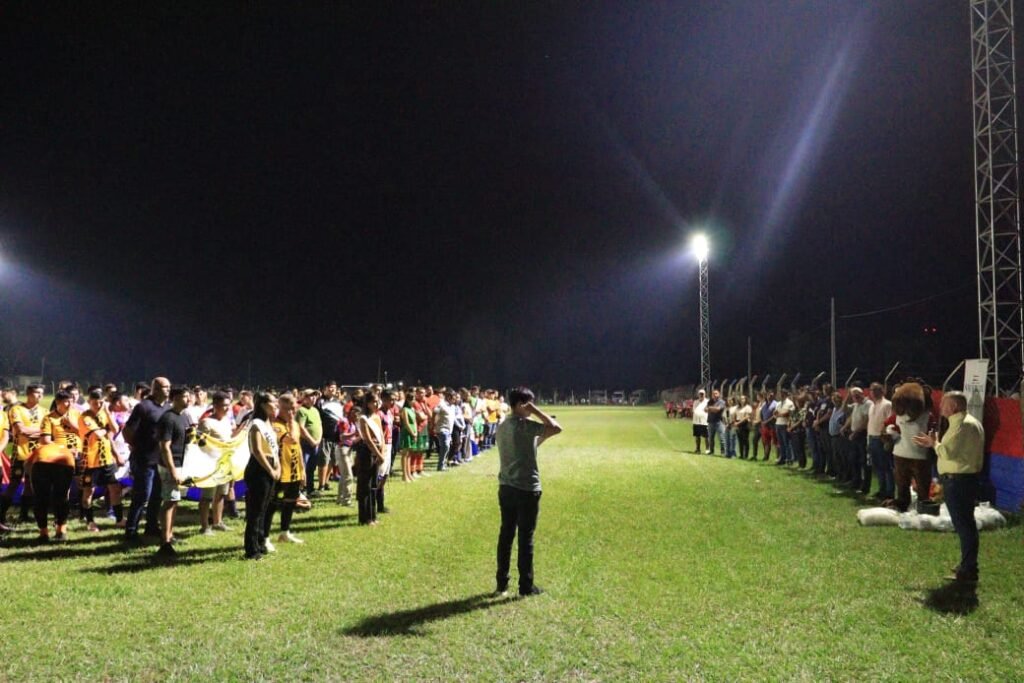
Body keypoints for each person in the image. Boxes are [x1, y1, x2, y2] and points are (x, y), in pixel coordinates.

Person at [495, 386, 562, 598]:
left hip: (506, 487)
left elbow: (530, 445)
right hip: (526, 489)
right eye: (528, 404)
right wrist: (536, 411)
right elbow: (556, 427)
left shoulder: (503, 425)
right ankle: (526, 586)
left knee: (506, 535)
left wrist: (541, 432)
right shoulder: (524, 425)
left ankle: (501, 584)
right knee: (526, 538)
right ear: (520, 404)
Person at [913, 391, 984, 583]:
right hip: (961, 480)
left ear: (954, 407)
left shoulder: (962, 424)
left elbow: (947, 451)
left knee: (964, 526)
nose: (941, 407)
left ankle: (968, 569)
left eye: (944, 403)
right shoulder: (968, 422)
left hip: (959, 481)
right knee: (965, 524)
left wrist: (933, 443)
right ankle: (967, 565)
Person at [123, 378, 170, 542]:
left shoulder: (167, 407)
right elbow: (127, 431)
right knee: (142, 496)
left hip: (161, 460)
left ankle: (151, 527)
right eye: (165, 387)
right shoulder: (143, 407)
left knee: (157, 496)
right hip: (145, 459)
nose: (168, 390)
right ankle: (131, 531)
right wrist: (136, 446)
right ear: (155, 389)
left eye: (169, 387)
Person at [33, 390, 80, 542]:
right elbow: (45, 440)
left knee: (62, 496)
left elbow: (85, 434)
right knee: (42, 497)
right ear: (58, 403)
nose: (70, 404)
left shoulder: (77, 416)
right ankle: (43, 532)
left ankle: (61, 529)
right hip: (49, 460)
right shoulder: (49, 418)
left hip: (69, 461)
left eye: (71, 401)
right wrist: (63, 448)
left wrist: (72, 426)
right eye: (66, 401)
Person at [78, 388, 126, 531]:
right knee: (89, 492)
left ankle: (119, 518)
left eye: (101, 403)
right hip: (90, 461)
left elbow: (115, 428)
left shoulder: (104, 413)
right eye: (95, 403)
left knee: (115, 489)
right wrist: (107, 429)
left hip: (106, 459)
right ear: (89, 402)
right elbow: (97, 434)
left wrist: (106, 412)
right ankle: (90, 521)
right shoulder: (85, 417)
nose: (98, 406)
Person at [197, 391, 244, 535]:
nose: (227, 408)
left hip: (225, 463)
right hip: (211, 464)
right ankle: (205, 526)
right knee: (207, 496)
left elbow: (229, 438)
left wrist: (241, 431)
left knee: (222, 494)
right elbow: (200, 442)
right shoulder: (206, 422)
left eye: (228, 405)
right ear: (215, 405)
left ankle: (218, 522)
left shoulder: (226, 421)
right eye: (224, 405)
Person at [269, 393, 311, 544]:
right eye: (289, 409)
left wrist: (303, 469)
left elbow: (297, 446)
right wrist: (293, 422)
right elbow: (291, 439)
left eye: (294, 409)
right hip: (279, 470)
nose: (292, 413)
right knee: (271, 503)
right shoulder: (276, 425)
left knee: (290, 501)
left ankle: (284, 532)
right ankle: (264, 535)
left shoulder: (294, 425)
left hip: (294, 470)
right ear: (280, 408)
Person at [155, 386, 191, 559]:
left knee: (175, 501)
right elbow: (164, 446)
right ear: (175, 398)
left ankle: (170, 534)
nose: (188, 399)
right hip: (171, 466)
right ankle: (164, 542)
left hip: (180, 464)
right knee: (169, 501)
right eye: (185, 396)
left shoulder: (182, 417)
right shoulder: (168, 418)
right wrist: (173, 470)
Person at [2, 383, 45, 525]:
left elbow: (49, 432)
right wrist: (40, 432)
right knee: (14, 483)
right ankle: (1, 513)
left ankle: (24, 514)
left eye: (41, 393)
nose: (40, 396)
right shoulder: (16, 409)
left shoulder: (44, 411)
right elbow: (20, 430)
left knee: (30, 484)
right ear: (28, 394)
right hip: (21, 454)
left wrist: (32, 431)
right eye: (37, 393)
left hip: (37, 455)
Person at [244, 393, 281, 560]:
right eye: (274, 402)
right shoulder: (256, 424)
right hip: (259, 469)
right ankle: (251, 549)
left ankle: (260, 542)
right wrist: (270, 469)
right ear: (264, 405)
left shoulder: (268, 424)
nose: (276, 405)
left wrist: (278, 466)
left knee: (265, 508)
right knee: (255, 511)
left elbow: (275, 449)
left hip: (271, 466)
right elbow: (257, 450)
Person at [888, 382, 933, 513]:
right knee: (902, 482)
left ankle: (923, 505)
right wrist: (890, 432)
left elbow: (932, 426)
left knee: (922, 483)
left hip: (919, 454)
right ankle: (903, 503)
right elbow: (890, 426)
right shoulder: (899, 415)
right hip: (902, 452)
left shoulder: (926, 415)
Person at [354, 393, 386, 526]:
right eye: (374, 402)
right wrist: (378, 454)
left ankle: (373, 516)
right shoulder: (363, 419)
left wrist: (382, 453)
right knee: (365, 486)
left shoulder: (377, 417)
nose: (377, 404)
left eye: (378, 401)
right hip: (367, 454)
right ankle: (365, 518)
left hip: (377, 453)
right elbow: (367, 439)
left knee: (374, 485)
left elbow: (381, 437)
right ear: (367, 404)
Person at [866, 382, 894, 501]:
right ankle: (881, 489)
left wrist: (887, 439)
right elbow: (870, 423)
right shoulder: (872, 405)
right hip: (872, 438)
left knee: (886, 467)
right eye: (871, 390)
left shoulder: (887, 404)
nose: (872, 392)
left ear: (881, 391)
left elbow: (891, 421)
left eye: (875, 390)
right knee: (877, 467)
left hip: (881, 439)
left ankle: (889, 492)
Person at [773, 389, 794, 465]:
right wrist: (777, 414)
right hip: (778, 423)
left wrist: (780, 414)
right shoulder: (778, 403)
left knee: (787, 442)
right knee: (781, 443)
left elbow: (788, 413)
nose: (779, 395)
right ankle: (783, 457)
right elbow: (775, 412)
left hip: (785, 424)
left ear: (784, 394)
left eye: (781, 394)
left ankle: (789, 459)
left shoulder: (790, 403)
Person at [705, 389, 726, 455]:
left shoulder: (721, 402)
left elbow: (718, 409)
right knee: (710, 438)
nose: (714, 395)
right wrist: (713, 409)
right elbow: (705, 409)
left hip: (719, 422)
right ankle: (711, 451)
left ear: (719, 394)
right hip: (710, 422)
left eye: (716, 393)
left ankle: (723, 452)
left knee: (721, 438)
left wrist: (710, 409)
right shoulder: (710, 401)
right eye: (713, 394)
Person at [691, 390, 709, 454]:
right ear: (698, 395)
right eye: (700, 394)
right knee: (697, 436)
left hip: (705, 421)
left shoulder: (707, 402)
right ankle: (698, 449)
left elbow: (707, 410)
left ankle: (707, 450)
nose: (701, 395)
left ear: (705, 394)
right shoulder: (695, 402)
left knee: (706, 436)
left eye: (702, 394)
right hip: (696, 421)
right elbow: (694, 410)